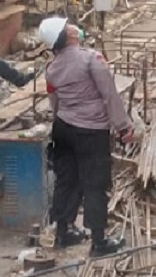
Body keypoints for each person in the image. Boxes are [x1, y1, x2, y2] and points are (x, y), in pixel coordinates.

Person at [39, 17, 132, 257]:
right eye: (68, 26)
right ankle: (99, 242)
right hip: (91, 131)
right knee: (95, 184)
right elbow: (109, 94)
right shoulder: (92, 59)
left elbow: (54, 101)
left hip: (63, 129)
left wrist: (62, 120)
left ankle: (63, 232)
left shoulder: (51, 68)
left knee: (66, 180)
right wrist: (123, 127)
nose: (73, 27)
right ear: (67, 35)